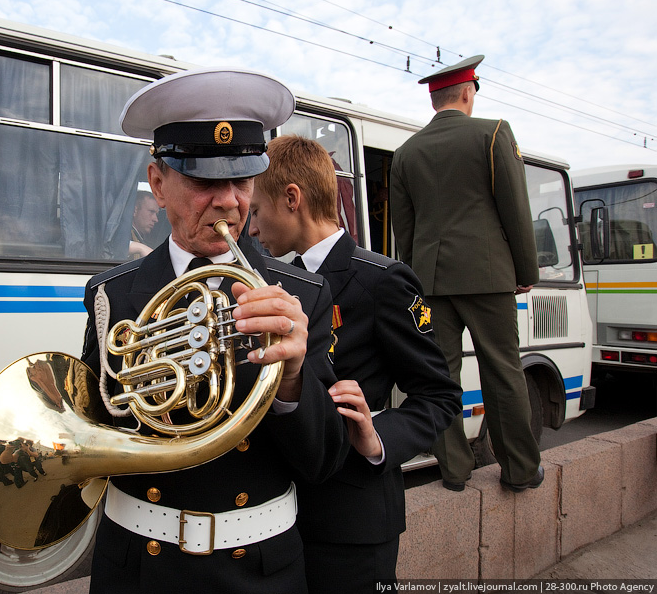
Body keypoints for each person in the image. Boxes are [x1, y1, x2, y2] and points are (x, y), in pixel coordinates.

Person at [81, 68, 349, 594]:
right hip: (138, 565)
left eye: (243, 180)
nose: (229, 202)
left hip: (259, 569)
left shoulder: (303, 295)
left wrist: (293, 380)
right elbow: (98, 422)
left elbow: (322, 462)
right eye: (205, 182)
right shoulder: (112, 293)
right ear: (158, 184)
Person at [249, 134, 462, 592]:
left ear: (291, 199)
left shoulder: (382, 281)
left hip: (352, 523)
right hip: (280, 516)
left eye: (256, 210)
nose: (251, 228)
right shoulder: (270, 282)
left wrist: (375, 437)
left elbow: (440, 396)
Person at [389, 55, 545, 493]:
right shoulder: (493, 133)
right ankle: (518, 469)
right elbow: (515, 208)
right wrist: (526, 269)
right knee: (503, 370)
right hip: (488, 275)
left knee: (440, 376)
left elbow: (406, 231)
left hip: (431, 281)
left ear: (434, 98)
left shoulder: (406, 154)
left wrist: (417, 280)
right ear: (467, 92)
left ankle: (454, 471)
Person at [129, 189, 160, 258]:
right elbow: (115, 246)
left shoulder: (143, 239)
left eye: (156, 214)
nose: (156, 219)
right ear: (135, 210)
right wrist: (140, 248)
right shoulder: (121, 234)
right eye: (151, 212)